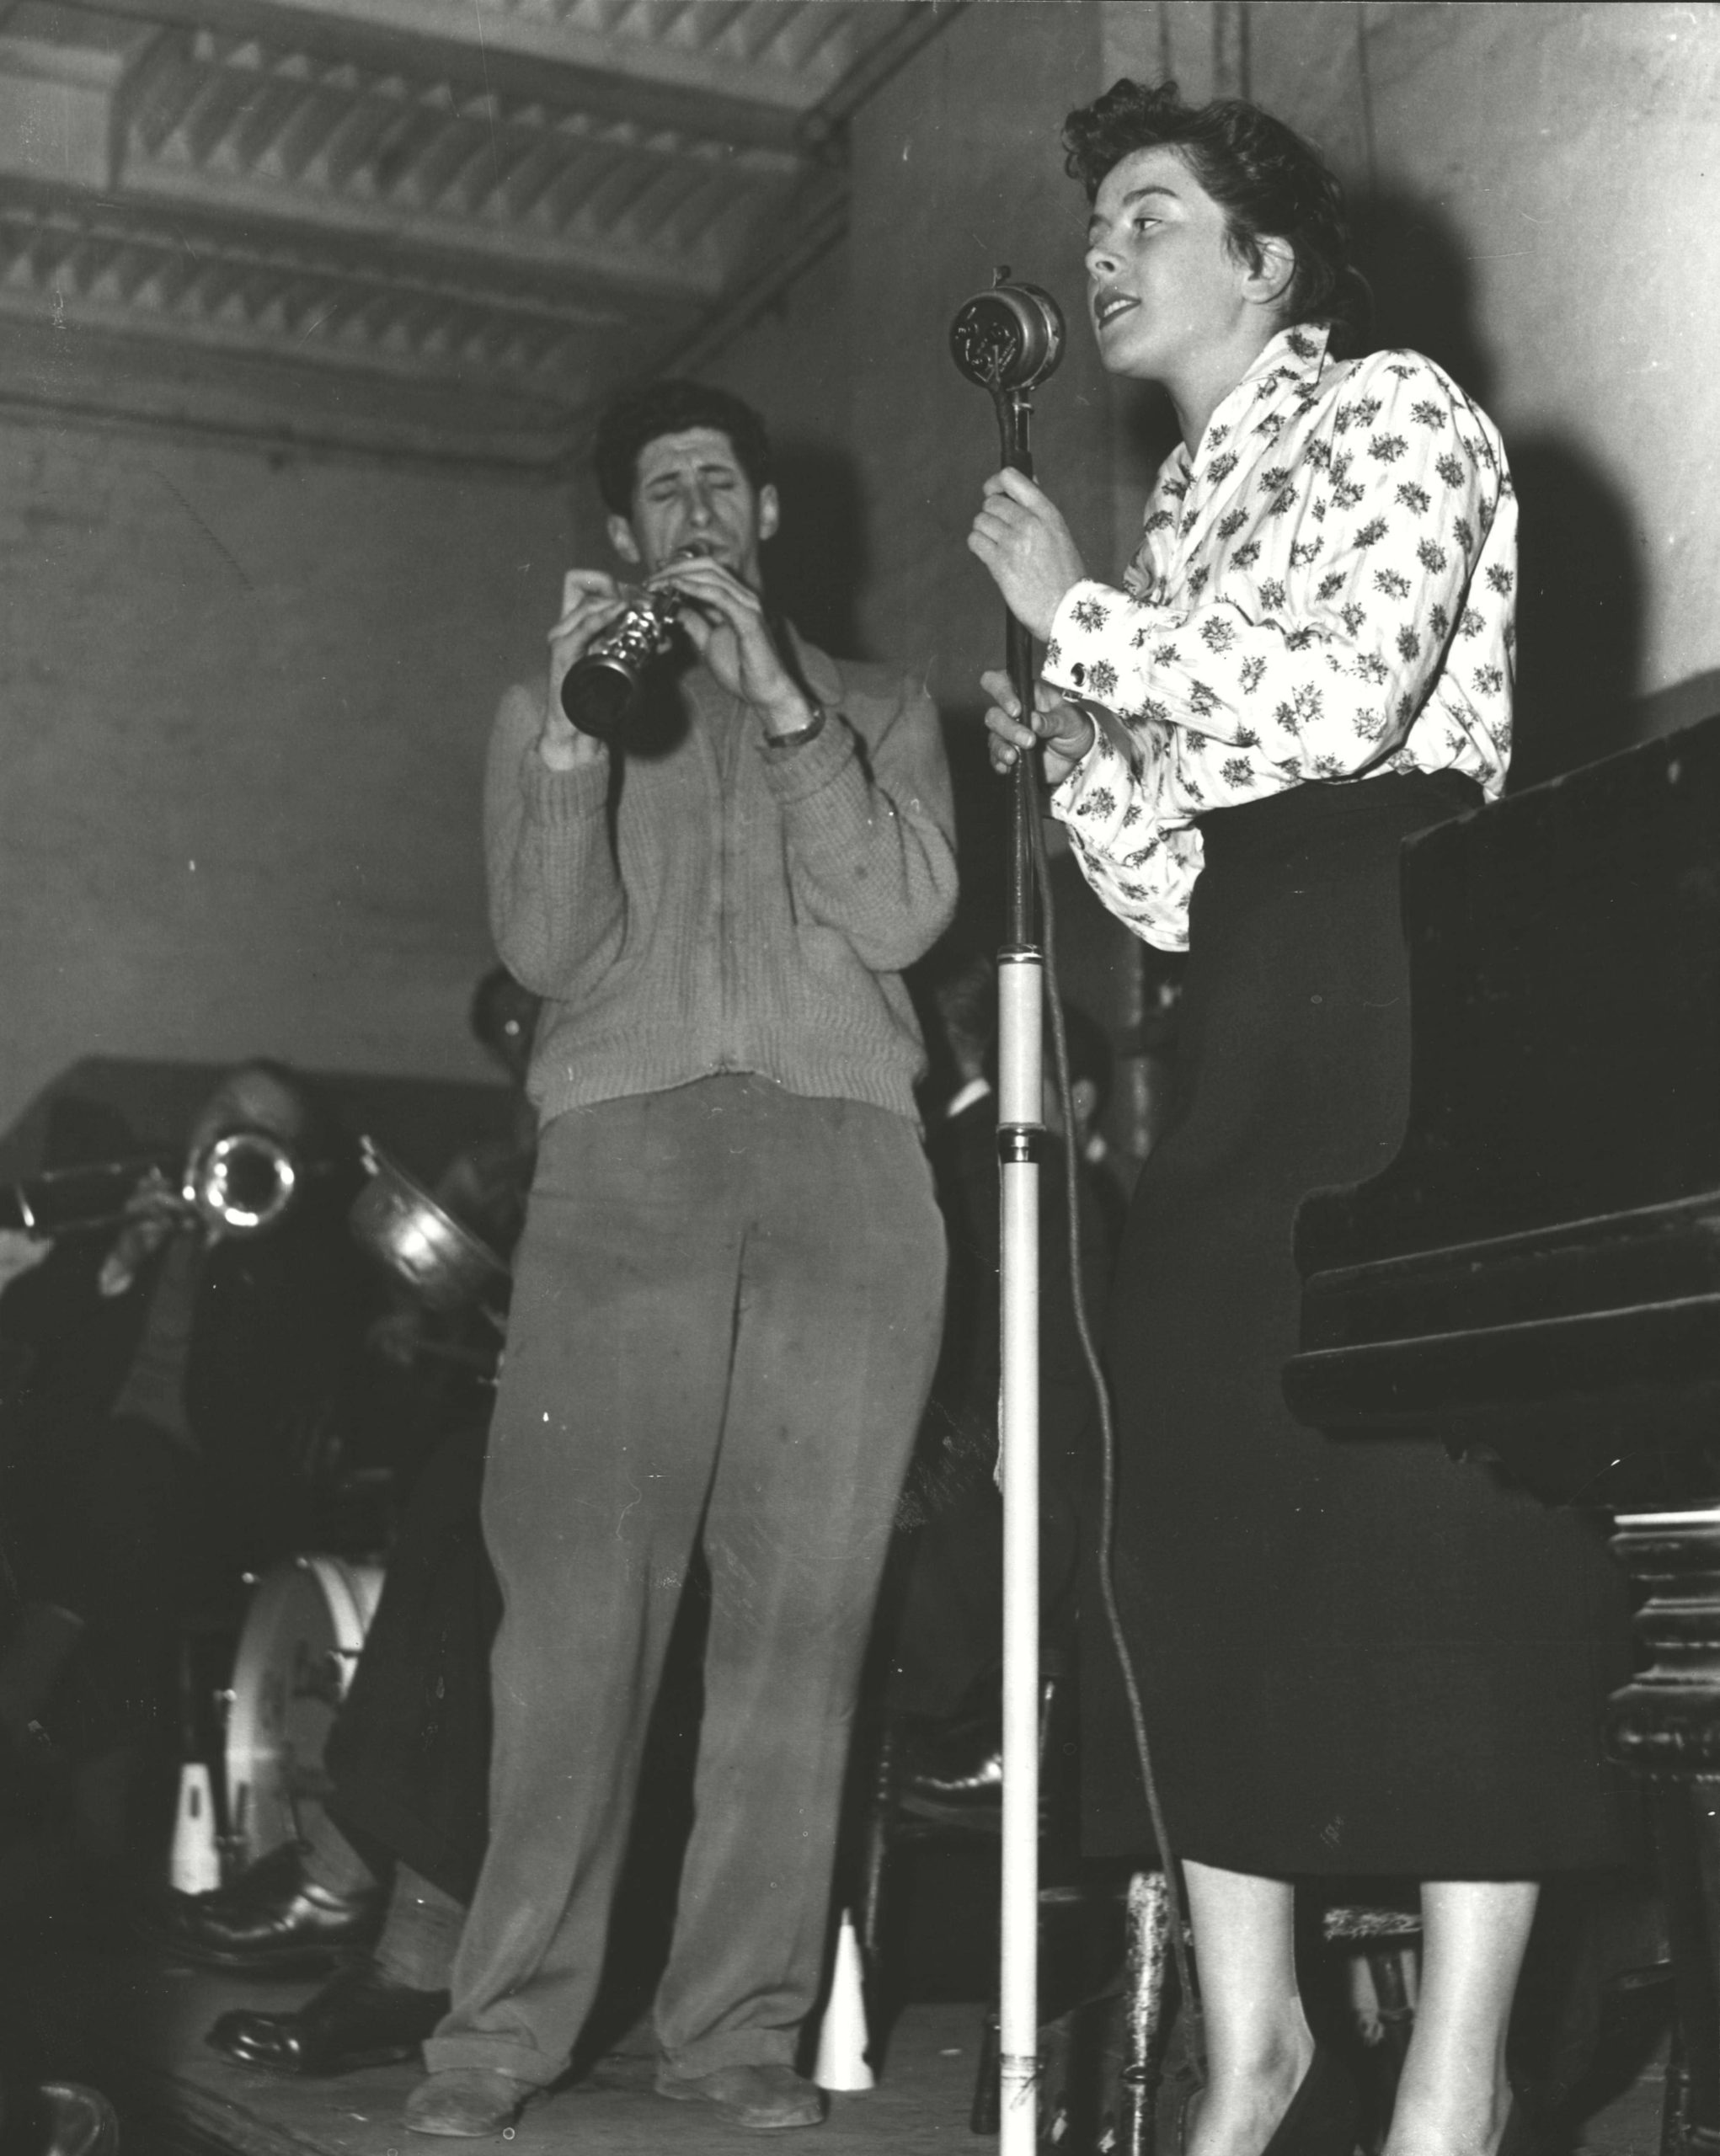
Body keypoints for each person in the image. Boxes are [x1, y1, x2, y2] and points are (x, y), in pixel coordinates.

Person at [972, 79, 1631, 2156]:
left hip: (1410, 979)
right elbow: (1177, 869)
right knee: (1197, 1492)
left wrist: (1087, 619)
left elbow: (1344, 707)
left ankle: (1450, 2073)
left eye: (1147, 218)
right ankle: (1250, 2043)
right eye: (1099, 226)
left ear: (1263, 263)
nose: (1104, 254)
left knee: (1428, 1515)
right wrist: (1089, 743)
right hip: (1251, 993)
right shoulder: (1180, 506)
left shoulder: (1394, 415)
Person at [403, 380, 955, 2137]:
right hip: (624, 1179)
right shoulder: (547, 709)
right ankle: (493, 2035)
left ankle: (733, 2037)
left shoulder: (878, 705)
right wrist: (577, 734)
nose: (699, 509)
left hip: (847, 1171)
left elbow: (902, 916)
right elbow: (546, 945)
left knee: (801, 1631)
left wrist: (789, 703)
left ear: (768, 518)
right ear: (628, 537)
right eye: (665, 491)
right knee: (569, 1633)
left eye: (724, 481)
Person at [152, 969, 542, 2076]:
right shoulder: (514, 1150)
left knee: (475, 1498)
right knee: (460, 1486)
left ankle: (376, 1909)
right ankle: (355, 1885)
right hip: (525, 1421)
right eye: (506, 1033)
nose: (520, 1048)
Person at [0, 1061, 372, 1865]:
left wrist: (240, 1251)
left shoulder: (297, 1261)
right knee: (121, 1512)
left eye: (262, 1126)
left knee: (131, 1491)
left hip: (212, 1499)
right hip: (78, 1477)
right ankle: (92, 1816)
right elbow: (23, 1321)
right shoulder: (132, 1207)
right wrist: (123, 1257)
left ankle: (18, 1721)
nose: (234, 1127)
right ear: (202, 1119)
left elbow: (302, 1393)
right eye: (227, 1107)